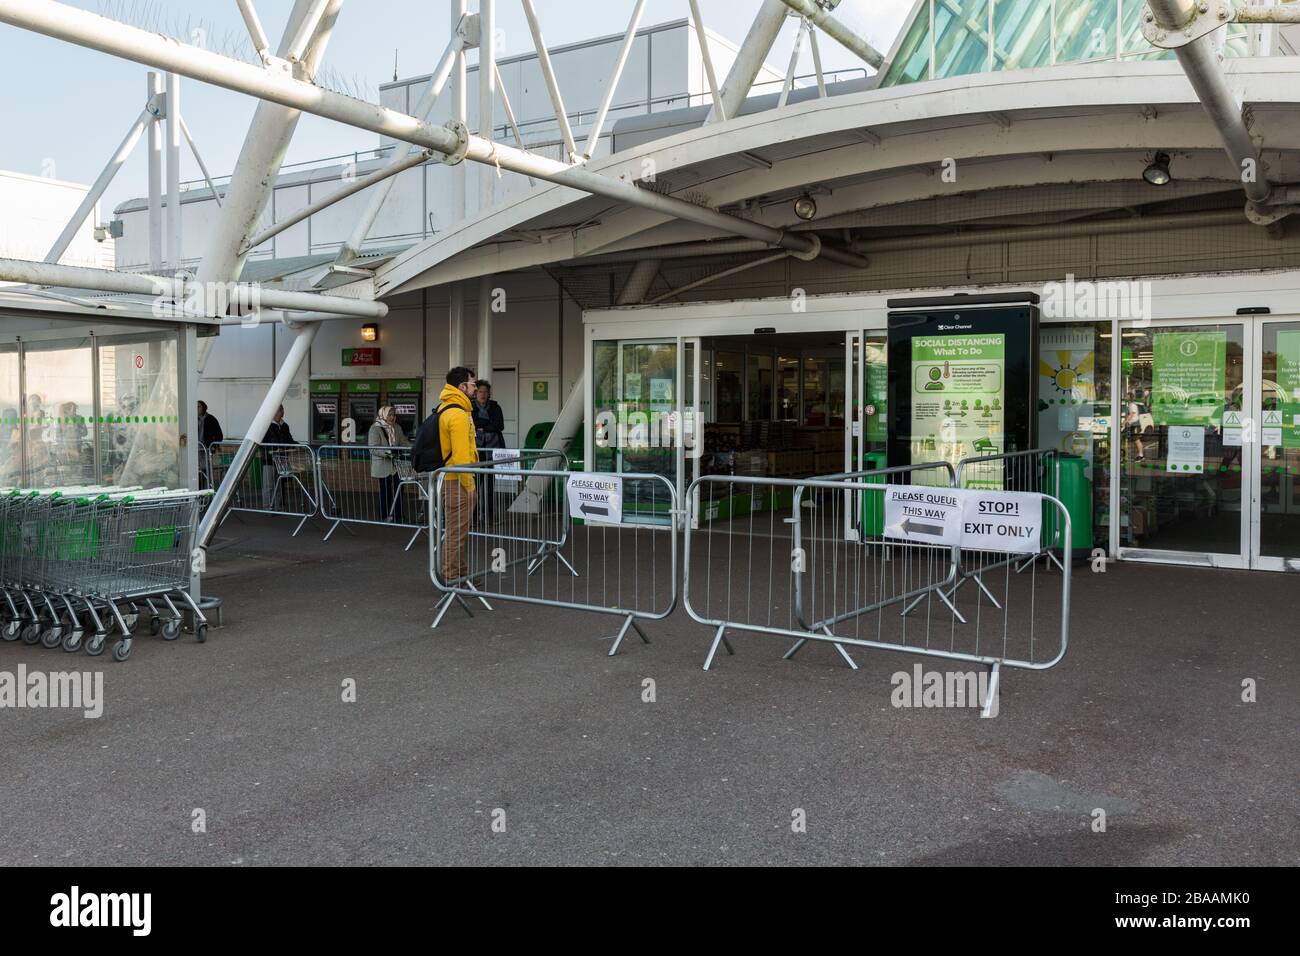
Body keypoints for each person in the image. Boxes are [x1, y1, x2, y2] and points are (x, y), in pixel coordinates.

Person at [412, 367, 478, 582]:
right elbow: (461, 458)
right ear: (462, 387)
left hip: (450, 481)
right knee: (456, 534)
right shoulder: (457, 414)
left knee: (457, 532)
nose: (476, 388)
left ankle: (461, 573)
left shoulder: (447, 408)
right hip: (457, 482)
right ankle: (451, 577)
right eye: (473, 384)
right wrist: (470, 487)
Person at [368, 404, 409, 522]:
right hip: (383, 466)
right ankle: (385, 515)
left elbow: (404, 442)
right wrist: (388, 452)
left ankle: (398, 515)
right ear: (383, 415)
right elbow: (373, 448)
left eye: (394, 415)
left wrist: (413, 448)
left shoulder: (397, 427)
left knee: (399, 490)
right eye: (389, 415)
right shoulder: (375, 428)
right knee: (385, 491)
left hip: (396, 466)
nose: (392, 417)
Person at [472, 380, 506, 522]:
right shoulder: (470, 407)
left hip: (492, 450)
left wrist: (483, 427)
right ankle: (473, 517)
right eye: (480, 391)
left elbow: (500, 425)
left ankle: (490, 516)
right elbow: (472, 424)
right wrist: (488, 424)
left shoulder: (495, 407)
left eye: (486, 392)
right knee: (475, 485)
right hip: (476, 450)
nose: (483, 394)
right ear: (476, 393)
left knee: (490, 484)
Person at [262, 405, 296, 507]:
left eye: (281, 410)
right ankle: (267, 507)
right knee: (269, 485)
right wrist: (273, 450)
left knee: (279, 484)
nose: (281, 413)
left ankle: (278, 506)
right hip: (269, 460)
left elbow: (289, 440)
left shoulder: (285, 426)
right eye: (278, 411)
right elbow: (262, 444)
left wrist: (298, 446)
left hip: (282, 459)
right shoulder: (265, 426)